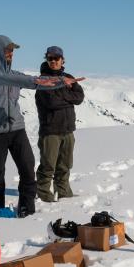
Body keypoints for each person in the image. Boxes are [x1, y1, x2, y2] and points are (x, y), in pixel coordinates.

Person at [0, 35, 81, 217]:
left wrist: (60, 82)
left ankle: (27, 210)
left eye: (12, 50)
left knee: (28, 167)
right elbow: (11, 80)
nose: (10, 53)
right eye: (7, 50)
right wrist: (35, 81)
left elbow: (39, 84)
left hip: (17, 129)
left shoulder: (15, 75)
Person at [35, 46, 84, 202]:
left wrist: (62, 92)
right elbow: (51, 102)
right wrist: (65, 90)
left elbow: (79, 97)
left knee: (65, 165)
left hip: (68, 130)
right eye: (50, 58)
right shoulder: (43, 80)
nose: (54, 61)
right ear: (47, 59)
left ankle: (64, 194)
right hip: (50, 131)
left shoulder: (68, 76)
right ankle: (43, 195)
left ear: (63, 60)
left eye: (56, 58)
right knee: (48, 165)